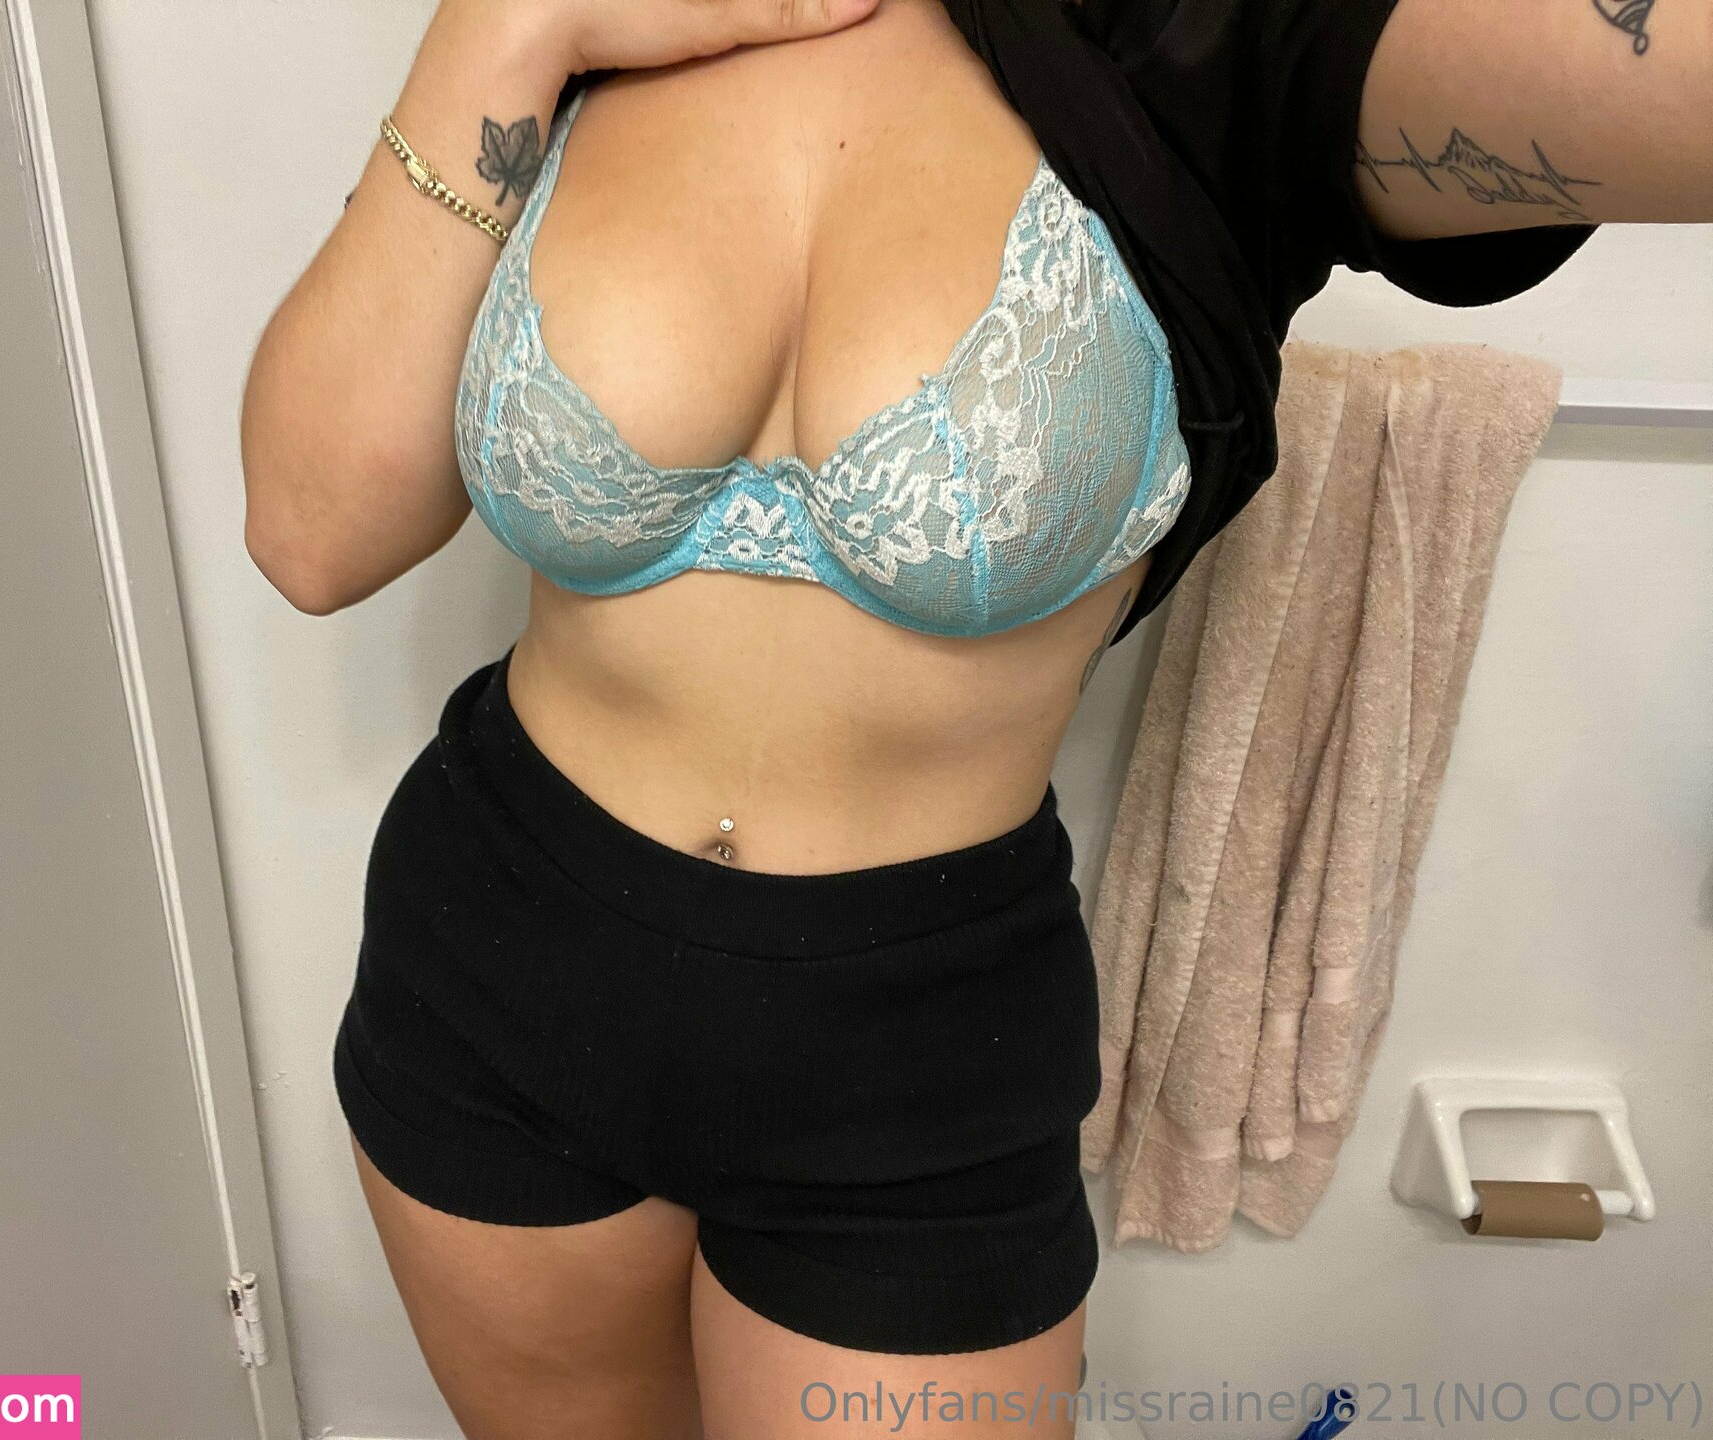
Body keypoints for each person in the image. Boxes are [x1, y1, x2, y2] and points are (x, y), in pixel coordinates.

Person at [240, 0, 1707, 1435]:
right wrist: (506, 30)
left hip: (918, 1064)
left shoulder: (1224, 42)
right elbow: (312, 535)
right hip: (494, 967)